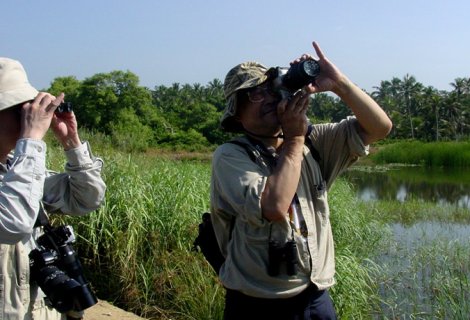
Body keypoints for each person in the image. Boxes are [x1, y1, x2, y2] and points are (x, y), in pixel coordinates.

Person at [210, 41, 392, 319]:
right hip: (257, 303)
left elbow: (379, 128)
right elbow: (273, 206)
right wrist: (294, 140)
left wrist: (339, 84)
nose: (269, 97)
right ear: (236, 111)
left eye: (271, 89)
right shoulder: (231, 155)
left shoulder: (314, 142)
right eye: (255, 94)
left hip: (315, 297)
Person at [0, 57, 106, 320]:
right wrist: (31, 140)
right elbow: (13, 223)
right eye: (19, 109)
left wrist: (71, 142)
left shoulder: (17, 170)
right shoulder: (23, 168)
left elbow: (85, 199)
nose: (29, 116)